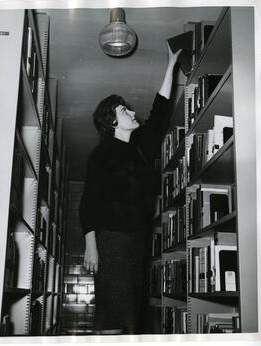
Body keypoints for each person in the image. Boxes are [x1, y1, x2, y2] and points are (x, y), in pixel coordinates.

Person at [79, 44, 181, 335]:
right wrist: (91, 246)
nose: (132, 111)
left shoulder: (140, 148)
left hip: (138, 240)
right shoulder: (101, 155)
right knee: (113, 315)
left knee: (132, 317)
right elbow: (89, 204)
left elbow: (159, 114)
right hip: (111, 241)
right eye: (124, 110)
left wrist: (171, 66)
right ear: (111, 122)